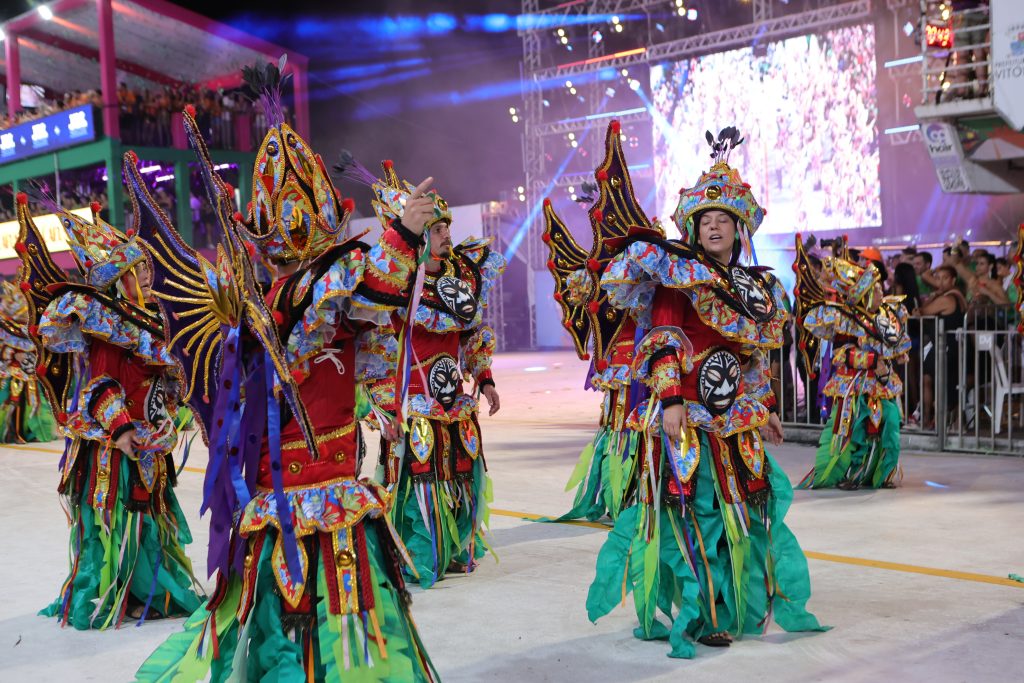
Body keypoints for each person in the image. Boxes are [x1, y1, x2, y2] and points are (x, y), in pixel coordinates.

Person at [133, 65, 438, 681]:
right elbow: (328, 315)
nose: (296, 223)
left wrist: (382, 402)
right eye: (285, 211)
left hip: (336, 482)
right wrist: (402, 233)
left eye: (304, 208)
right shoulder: (284, 297)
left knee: (348, 634)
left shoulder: (323, 282)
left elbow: (370, 324)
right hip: (283, 493)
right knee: (285, 632)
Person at [586, 126, 826, 658]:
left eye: (724, 221)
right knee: (695, 515)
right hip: (685, 418)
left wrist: (762, 409)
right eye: (706, 221)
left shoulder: (754, 288)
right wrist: (671, 399)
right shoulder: (677, 277)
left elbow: (752, 358)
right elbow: (664, 337)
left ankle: (736, 602)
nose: (715, 227)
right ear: (693, 230)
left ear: (740, 231)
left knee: (742, 509)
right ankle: (705, 614)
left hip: (732, 419)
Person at [17, 195, 202, 630]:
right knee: (120, 528)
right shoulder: (108, 325)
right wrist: (120, 431)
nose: (146, 275)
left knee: (149, 526)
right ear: (119, 279)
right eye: (137, 270)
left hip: (148, 444)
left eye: (145, 268)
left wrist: (173, 411)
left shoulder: (152, 320)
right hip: (115, 450)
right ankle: (129, 592)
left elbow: (164, 381)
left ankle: (145, 591)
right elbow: (101, 385)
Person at [348, 159, 505, 588]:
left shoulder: (463, 277)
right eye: (435, 229)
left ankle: (455, 548)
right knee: (421, 480)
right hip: (415, 405)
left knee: (460, 474)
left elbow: (472, 336)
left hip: (455, 402)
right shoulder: (395, 288)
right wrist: (384, 408)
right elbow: (377, 350)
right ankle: (418, 554)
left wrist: (485, 377)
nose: (445, 235)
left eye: (445, 227)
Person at [540, 122, 648, 523]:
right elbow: (582, 296)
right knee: (619, 424)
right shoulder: (596, 271)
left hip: (647, 358)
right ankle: (619, 494)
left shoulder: (646, 260)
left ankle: (641, 493)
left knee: (640, 425)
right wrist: (587, 284)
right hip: (619, 358)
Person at [798, 256, 911, 490]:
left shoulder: (886, 315)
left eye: (880, 288)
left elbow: (894, 343)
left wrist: (897, 355)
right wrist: (872, 360)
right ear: (865, 294)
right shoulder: (846, 320)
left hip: (881, 385)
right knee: (854, 429)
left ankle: (881, 474)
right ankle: (850, 474)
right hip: (855, 386)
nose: (881, 293)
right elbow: (841, 354)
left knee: (889, 424)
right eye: (876, 289)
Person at [0, 281, 56, 442]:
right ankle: (11, 432)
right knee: (10, 401)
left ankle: (32, 432)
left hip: (30, 374)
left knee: (35, 404)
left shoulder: (31, 328)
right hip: (10, 373)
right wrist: (11, 356)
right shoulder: (4, 328)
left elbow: (40, 348)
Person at [918, 265, 967, 430]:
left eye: (944, 278)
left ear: (953, 280)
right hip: (953, 347)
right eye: (938, 278)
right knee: (931, 380)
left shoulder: (947, 298)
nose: (940, 281)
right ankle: (932, 419)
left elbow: (923, 311)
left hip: (944, 348)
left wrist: (931, 298)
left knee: (927, 380)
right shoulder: (959, 295)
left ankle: (927, 420)